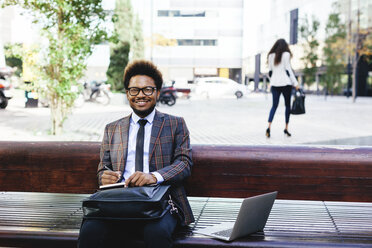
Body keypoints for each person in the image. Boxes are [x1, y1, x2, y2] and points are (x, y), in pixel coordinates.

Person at [78, 60, 194, 248]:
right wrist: (105, 177)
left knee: (155, 233)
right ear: (127, 93)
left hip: (162, 203)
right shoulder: (112, 129)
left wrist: (153, 177)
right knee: (90, 231)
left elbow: (184, 163)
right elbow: (103, 169)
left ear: (157, 92)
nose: (141, 95)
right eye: (134, 90)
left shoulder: (175, 124)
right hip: (119, 202)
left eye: (147, 90)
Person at [266, 38, 299, 138]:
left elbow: (270, 72)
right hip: (285, 83)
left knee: (274, 106)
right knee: (287, 106)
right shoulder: (286, 54)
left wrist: (272, 80)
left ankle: (268, 127)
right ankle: (286, 128)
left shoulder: (271, 56)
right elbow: (288, 70)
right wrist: (296, 83)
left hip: (275, 84)